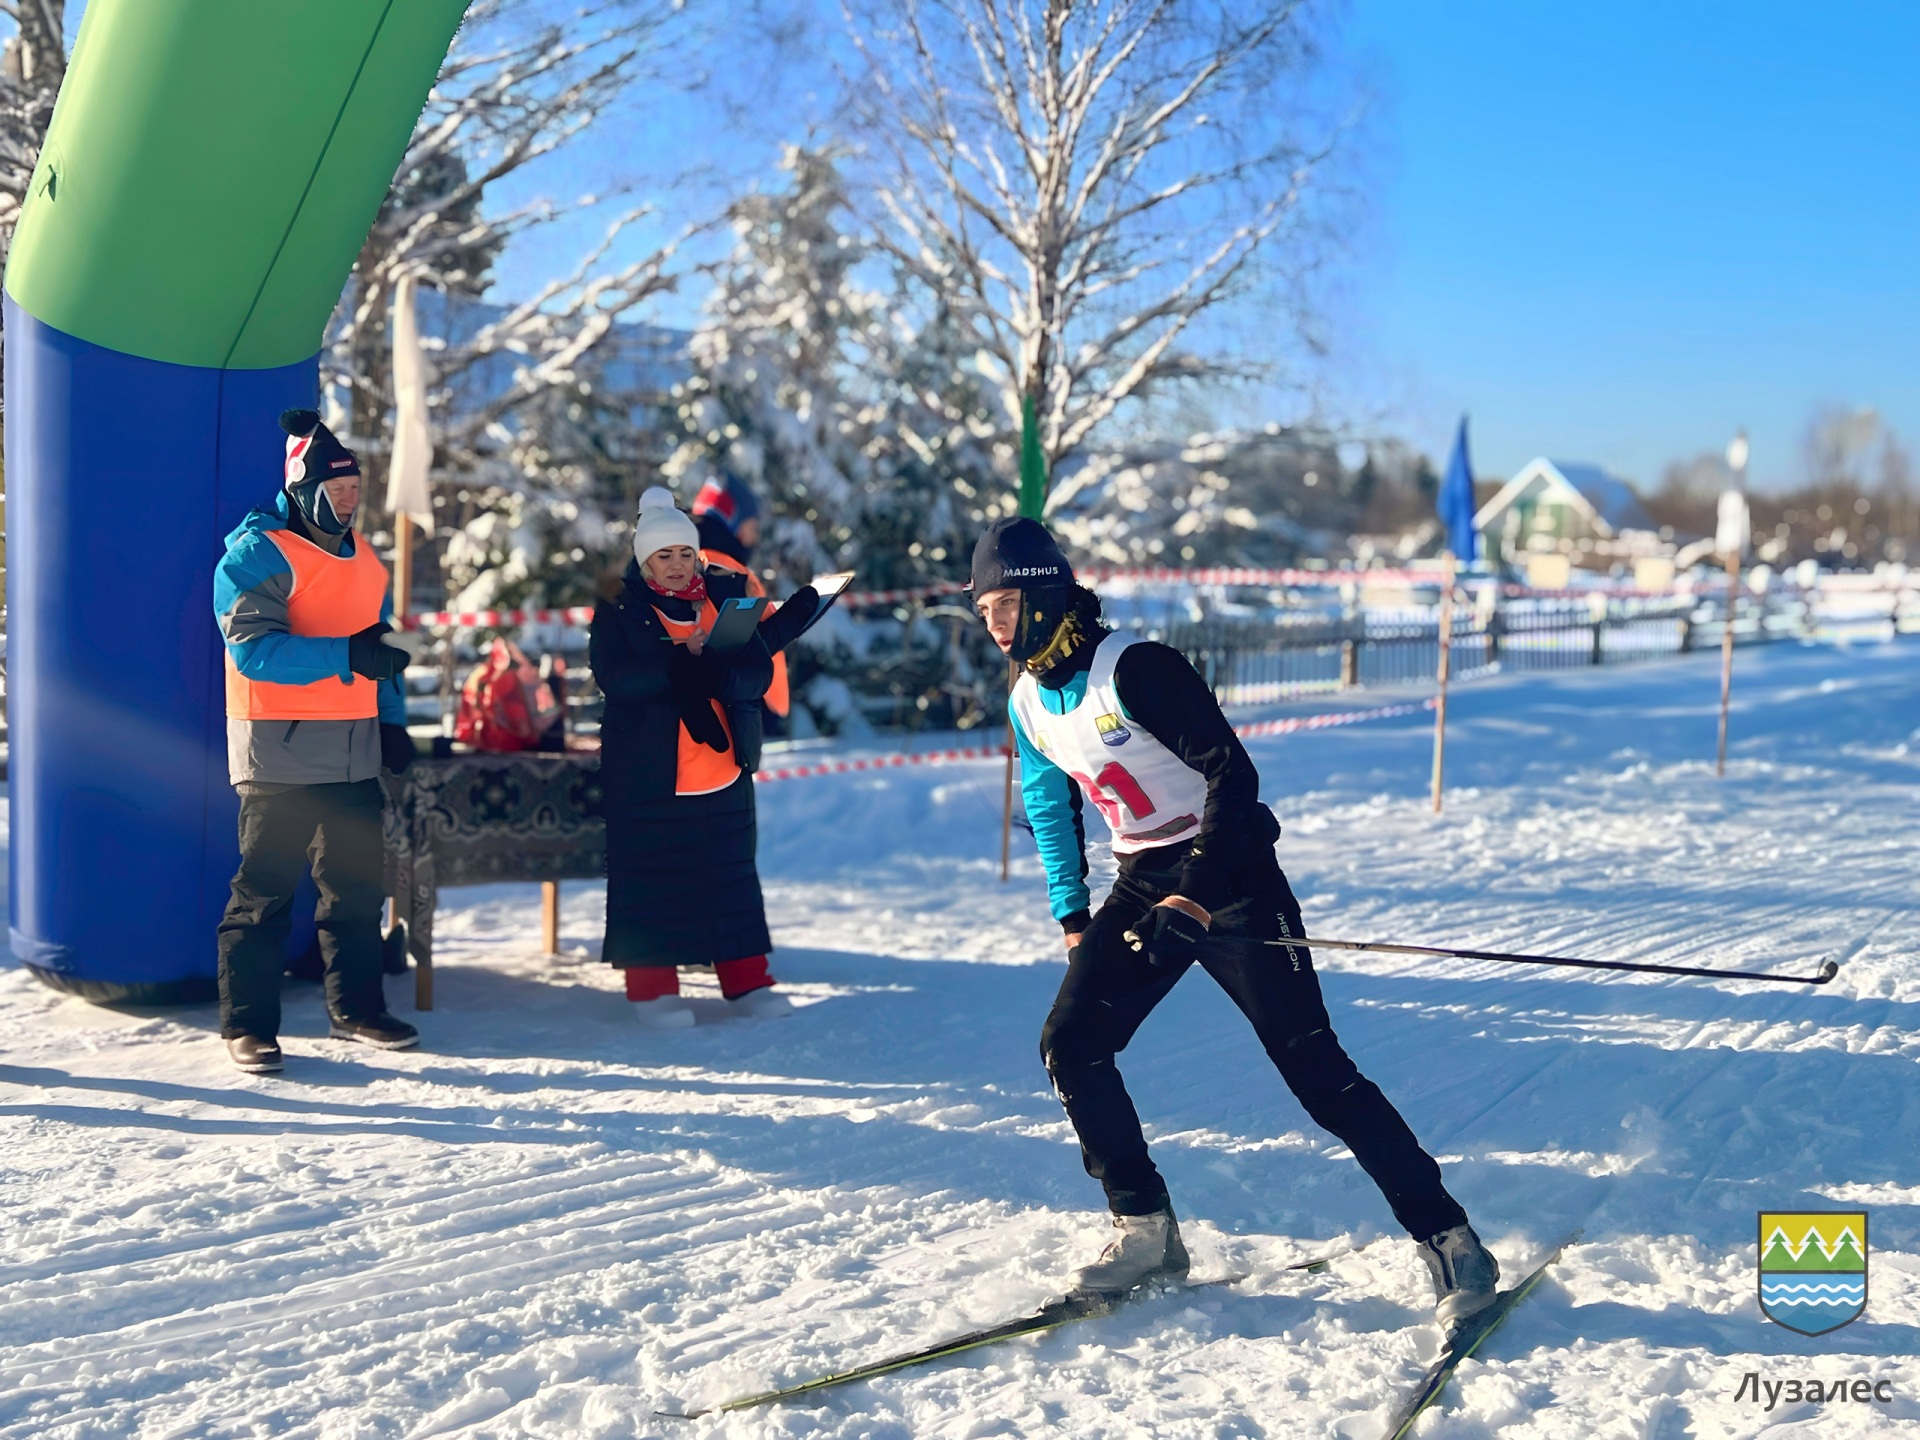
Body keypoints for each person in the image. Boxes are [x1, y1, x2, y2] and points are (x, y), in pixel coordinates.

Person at [972, 516, 1499, 1332]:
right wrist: (1074, 918)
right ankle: (1145, 1230)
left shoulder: (1137, 667)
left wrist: (1198, 893)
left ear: (1044, 596)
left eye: (1004, 605)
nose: (996, 626)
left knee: (1317, 1073)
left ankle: (1450, 1237)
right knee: (1070, 1044)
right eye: (983, 614)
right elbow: (1049, 805)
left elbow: (1232, 773)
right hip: (1144, 880)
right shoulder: (1027, 704)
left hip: (1234, 875)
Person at [212, 409, 420, 1075]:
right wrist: (349, 655)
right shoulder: (253, 556)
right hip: (277, 752)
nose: (350, 502)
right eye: (338, 491)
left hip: (354, 748)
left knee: (356, 892)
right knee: (264, 896)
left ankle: (357, 1010)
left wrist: (393, 720)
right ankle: (247, 1028)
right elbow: (254, 653)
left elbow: (378, 649)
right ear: (302, 489)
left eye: (356, 489)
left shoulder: (365, 559)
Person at [589, 488, 816, 1028]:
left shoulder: (728, 593)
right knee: (652, 881)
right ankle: (652, 989)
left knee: (731, 879)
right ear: (644, 561)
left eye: (684, 554)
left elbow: (757, 671)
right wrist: (680, 662)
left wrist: (720, 670)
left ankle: (747, 982)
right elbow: (614, 678)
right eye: (662, 556)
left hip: (724, 770)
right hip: (650, 775)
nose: (676, 565)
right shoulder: (619, 609)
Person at [691, 471, 790, 725]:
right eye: (752, 526)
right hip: (734, 711)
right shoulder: (730, 573)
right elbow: (758, 639)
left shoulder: (684, 566)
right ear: (731, 522)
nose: (755, 537)